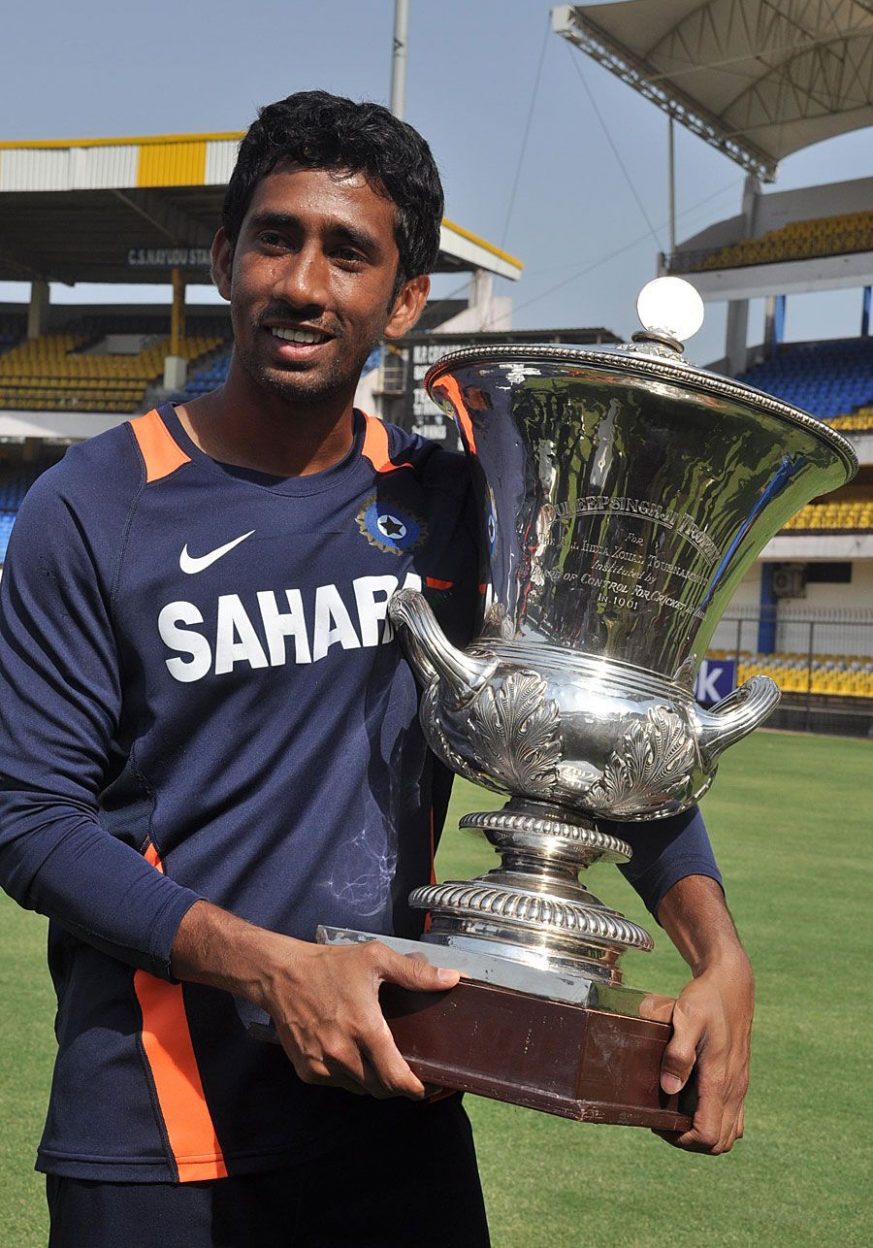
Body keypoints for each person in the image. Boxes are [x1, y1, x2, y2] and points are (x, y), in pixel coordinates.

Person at [0, 91, 753, 1248]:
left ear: (404, 301)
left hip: (400, 1100)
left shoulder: (457, 506)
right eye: (275, 237)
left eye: (348, 253)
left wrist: (718, 953)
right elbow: (33, 822)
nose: (302, 284)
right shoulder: (93, 508)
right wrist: (273, 970)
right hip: (163, 1134)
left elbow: (594, 737)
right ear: (224, 258)